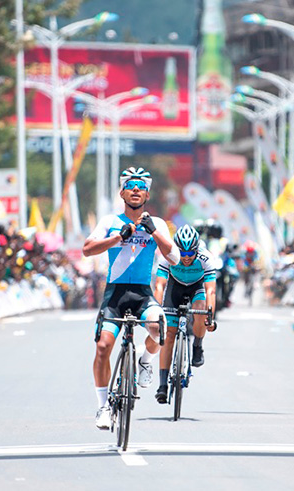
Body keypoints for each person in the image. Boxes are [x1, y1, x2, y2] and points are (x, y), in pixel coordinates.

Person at [82, 167, 180, 430]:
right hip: (115, 294)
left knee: (160, 329)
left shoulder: (157, 223)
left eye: (140, 187)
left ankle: (145, 362)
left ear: (147, 194)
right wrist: (117, 237)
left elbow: (174, 258)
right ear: (122, 192)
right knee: (103, 347)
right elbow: (87, 250)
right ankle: (103, 407)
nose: (135, 190)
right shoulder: (109, 221)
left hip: (141, 294)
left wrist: (154, 233)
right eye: (130, 186)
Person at [153, 224, 219, 403]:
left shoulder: (206, 258)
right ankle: (162, 385)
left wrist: (210, 316)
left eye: (191, 254)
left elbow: (211, 291)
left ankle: (197, 345)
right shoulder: (168, 255)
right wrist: (156, 312)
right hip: (175, 287)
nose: (187, 258)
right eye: (183, 253)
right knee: (169, 335)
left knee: (200, 309)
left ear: (198, 250)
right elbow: (160, 285)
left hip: (196, 287)